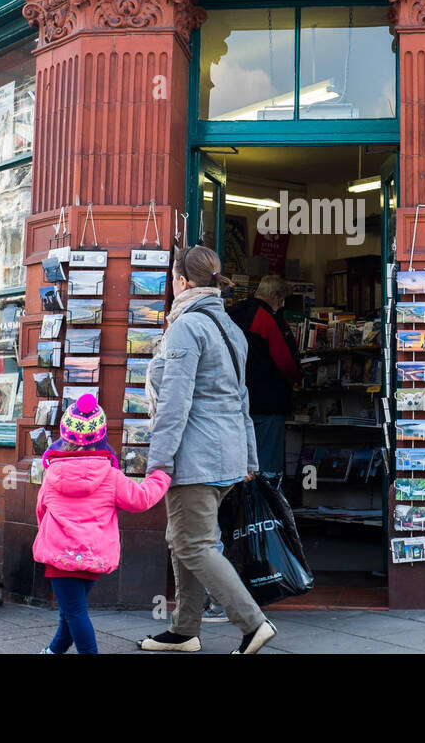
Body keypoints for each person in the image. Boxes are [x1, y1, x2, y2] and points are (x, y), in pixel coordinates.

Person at [138, 245, 278, 655]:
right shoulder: (231, 327)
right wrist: (250, 458)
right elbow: (242, 398)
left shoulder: (186, 327)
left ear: (182, 281)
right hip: (227, 455)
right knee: (185, 539)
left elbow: (174, 402)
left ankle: (254, 624)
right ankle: (184, 631)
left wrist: (159, 462)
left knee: (194, 544)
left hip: (196, 457)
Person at [33, 393, 169, 654]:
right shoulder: (111, 476)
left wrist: (47, 537)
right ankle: (53, 650)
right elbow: (141, 499)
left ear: (65, 436)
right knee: (71, 611)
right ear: (101, 437)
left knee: (73, 612)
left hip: (59, 556)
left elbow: (41, 510)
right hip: (93, 556)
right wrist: (160, 476)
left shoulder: (52, 474)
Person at [226, 274, 301, 478]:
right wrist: (299, 377)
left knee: (236, 462)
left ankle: (240, 507)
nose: (282, 304)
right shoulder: (267, 318)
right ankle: (264, 507)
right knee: (266, 463)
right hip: (267, 402)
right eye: (282, 299)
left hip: (232, 398)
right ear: (275, 295)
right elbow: (285, 361)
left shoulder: (231, 313)